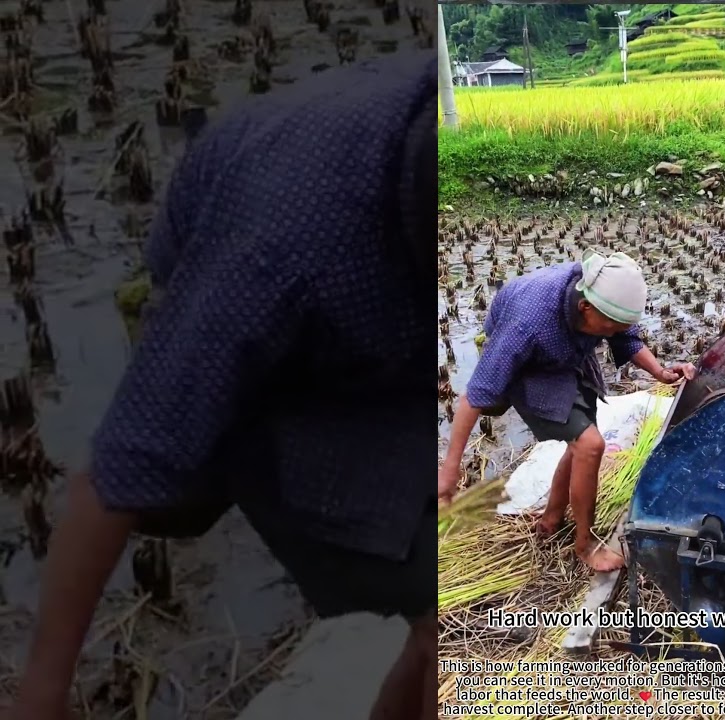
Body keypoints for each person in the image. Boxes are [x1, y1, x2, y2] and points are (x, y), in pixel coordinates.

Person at [10, 52, 435, 720]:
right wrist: (43, 691)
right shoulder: (278, 253)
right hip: (285, 350)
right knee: (436, 588)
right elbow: (120, 468)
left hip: (377, 312)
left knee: (452, 606)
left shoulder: (455, 120)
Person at [437, 252, 695, 572]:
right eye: (610, 326)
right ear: (585, 308)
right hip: (531, 367)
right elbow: (474, 396)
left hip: (569, 352)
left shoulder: (601, 298)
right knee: (591, 444)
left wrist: (660, 372)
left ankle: (552, 519)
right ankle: (585, 546)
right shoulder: (526, 325)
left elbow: (626, 337)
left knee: (582, 444)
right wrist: (450, 470)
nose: (613, 332)